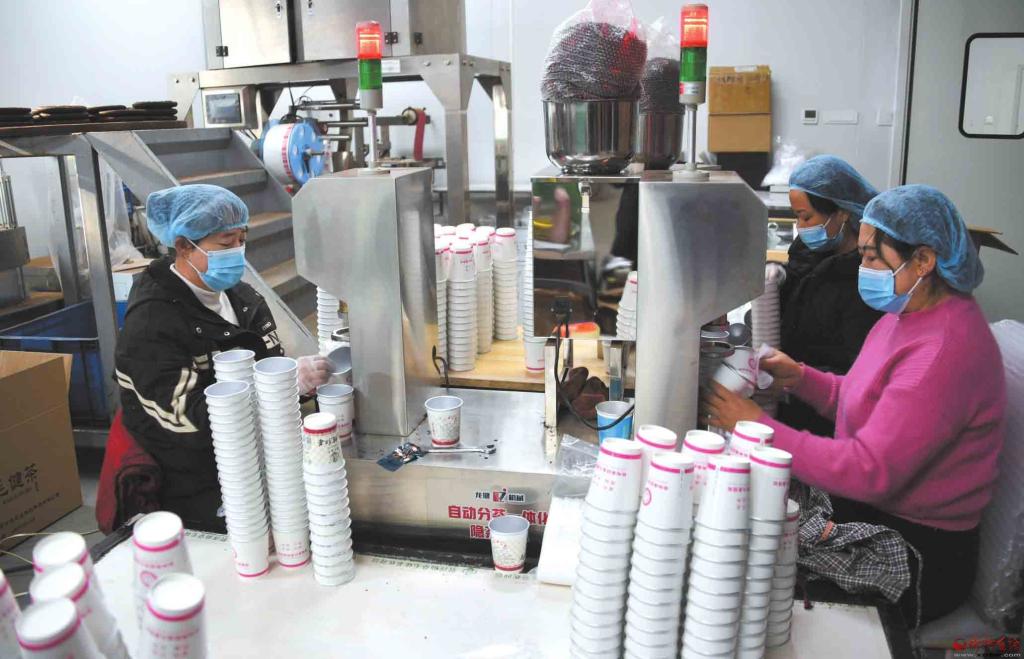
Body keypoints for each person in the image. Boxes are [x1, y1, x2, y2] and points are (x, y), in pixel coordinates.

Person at [703, 185, 1006, 624]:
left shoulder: (945, 351)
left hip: (916, 551)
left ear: (923, 260)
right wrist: (803, 378)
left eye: (871, 257)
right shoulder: (907, 316)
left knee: (756, 584)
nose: (862, 269)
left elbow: (870, 472)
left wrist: (757, 428)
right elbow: (865, 400)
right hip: (870, 511)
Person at [114, 185, 332, 531]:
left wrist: (300, 384)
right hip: (193, 480)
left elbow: (269, 366)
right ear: (184, 246)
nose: (237, 252)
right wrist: (283, 386)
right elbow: (189, 419)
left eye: (241, 240)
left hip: (255, 458)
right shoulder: (152, 323)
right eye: (226, 243)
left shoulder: (241, 298)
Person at [779, 155, 883, 436]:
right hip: (791, 394)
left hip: (825, 414)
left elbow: (855, 369)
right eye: (797, 217)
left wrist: (800, 378)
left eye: (806, 217)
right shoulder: (809, 252)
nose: (801, 226)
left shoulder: (864, 281)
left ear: (842, 213)